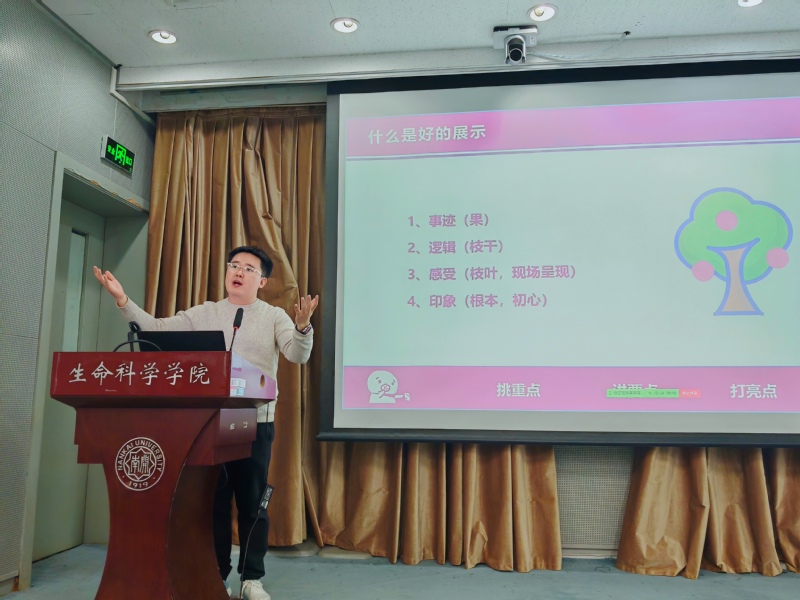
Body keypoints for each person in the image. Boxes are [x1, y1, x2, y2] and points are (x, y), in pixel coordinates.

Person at [93, 245, 318, 600]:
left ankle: (251, 579)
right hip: (210, 422)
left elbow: (297, 354)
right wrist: (123, 300)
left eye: (248, 268)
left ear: (262, 281)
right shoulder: (206, 312)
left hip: (254, 421)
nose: (238, 272)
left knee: (253, 503)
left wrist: (303, 327)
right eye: (234, 265)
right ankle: (217, 574)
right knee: (214, 502)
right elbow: (156, 330)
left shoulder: (273, 316)